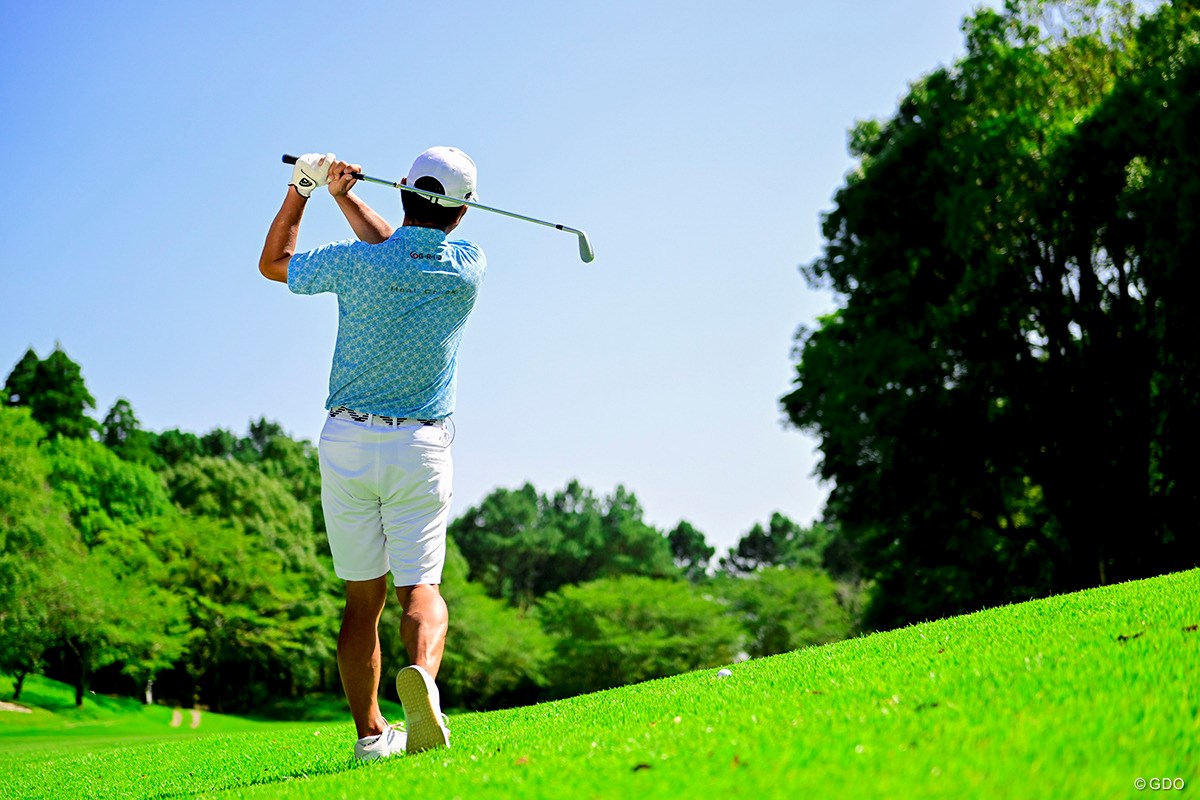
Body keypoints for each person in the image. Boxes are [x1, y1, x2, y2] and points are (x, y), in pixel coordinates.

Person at [258, 148, 486, 761]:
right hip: (421, 446)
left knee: (365, 599)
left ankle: (369, 735)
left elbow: (273, 264)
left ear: (404, 189)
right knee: (422, 590)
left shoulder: (356, 264)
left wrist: (307, 189)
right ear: (462, 213)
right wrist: (345, 197)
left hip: (348, 443)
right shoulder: (468, 267)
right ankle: (426, 687)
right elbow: (406, 247)